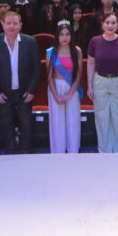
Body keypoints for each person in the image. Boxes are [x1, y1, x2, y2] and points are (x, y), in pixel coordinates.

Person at [0, 10, 40, 155]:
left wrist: (32, 90)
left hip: (24, 92)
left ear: (20, 25)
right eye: (8, 23)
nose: (11, 26)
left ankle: (26, 152)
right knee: (6, 124)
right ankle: (10, 153)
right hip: (3, 93)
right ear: (2, 25)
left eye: (15, 23)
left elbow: (36, 69)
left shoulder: (30, 42)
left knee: (26, 124)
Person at [86, 13, 118, 153]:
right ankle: (104, 151)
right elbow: (90, 63)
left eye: (113, 23)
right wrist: (89, 85)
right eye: (107, 22)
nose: (110, 26)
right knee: (102, 118)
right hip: (100, 81)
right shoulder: (95, 41)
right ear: (102, 24)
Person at [46, 21, 82, 154]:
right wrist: (56, 96)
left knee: (73, 121)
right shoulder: (51, 52)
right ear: (57, 36)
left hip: (72, 88)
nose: (65, 37)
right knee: (57, 121)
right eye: (61, 34)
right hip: (56, 87)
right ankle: (58, 152)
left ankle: (73, 151)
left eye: (67, 34)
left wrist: (70, 93)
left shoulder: (77, 50)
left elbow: (78, 75)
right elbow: (49, 76)